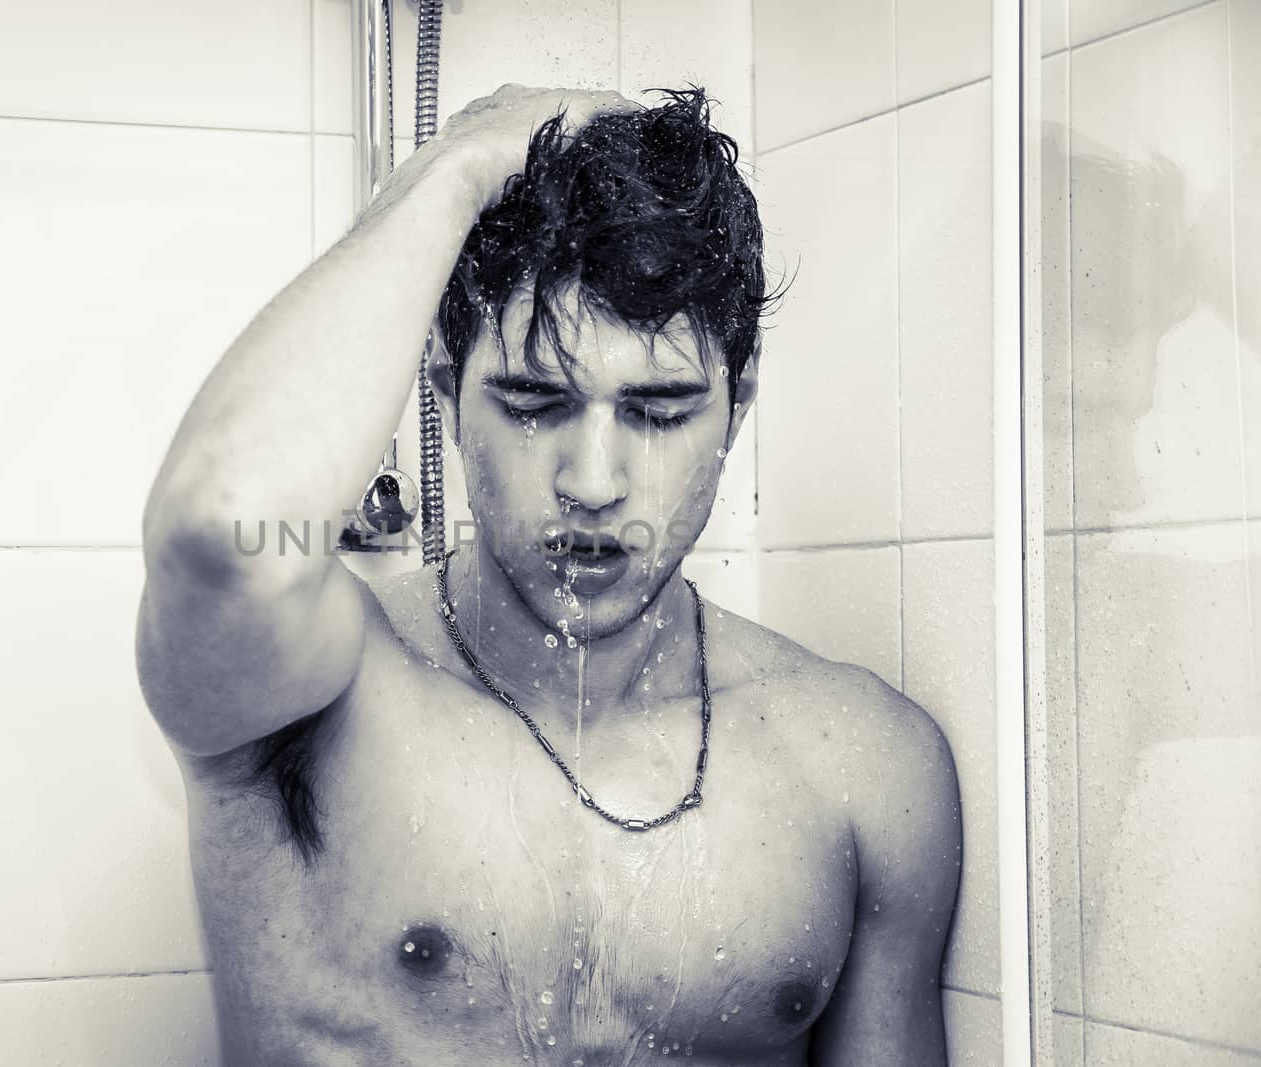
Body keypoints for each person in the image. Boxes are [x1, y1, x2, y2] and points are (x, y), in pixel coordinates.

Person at [136, 84, 963, 1066]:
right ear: (443, 392)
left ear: (734, 411)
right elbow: (223, 529)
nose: (594, 482)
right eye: (532, 402)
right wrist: (455, 170)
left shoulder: (862, 771)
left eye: (659, 411)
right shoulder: (312, 702)